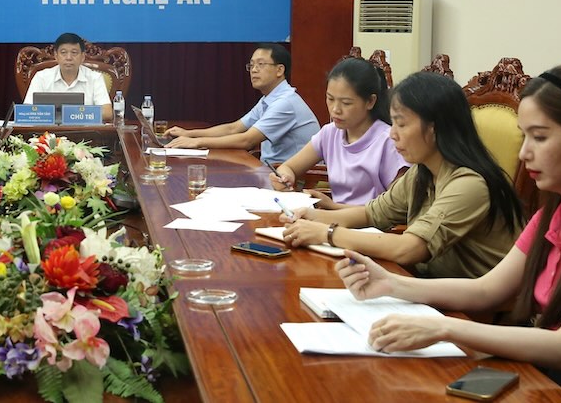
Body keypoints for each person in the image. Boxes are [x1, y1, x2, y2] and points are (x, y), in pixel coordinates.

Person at [336, 65, 561, 402]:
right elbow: (487, 289)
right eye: (523, 136)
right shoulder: (556, 214)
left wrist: (444, 328)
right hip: (560, 372)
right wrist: (388, 284)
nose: (524, 154)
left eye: (540, 137)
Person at [281, 71, 523, 279]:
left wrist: (328, 233)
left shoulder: (469, 184)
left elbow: (409, 249)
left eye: (401, 124)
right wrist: (314, 216)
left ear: (434, 128)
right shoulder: (422, 171)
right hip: (434, 288)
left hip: (482, 313)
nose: (392, 134)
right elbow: (373, 213)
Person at [269, 57, 408, 207]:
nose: (335, 109)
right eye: (330, 99)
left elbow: (395, 208)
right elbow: (288, 167)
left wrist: (333, 207)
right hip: (333, 221)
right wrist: (284, 177)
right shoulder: (330, 133)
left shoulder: (388, 141)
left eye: (346, 103)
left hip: (369, 227)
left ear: (370, 101)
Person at [166, 43, 320, 163]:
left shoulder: (285, 103)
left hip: (297, 179)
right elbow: (234, 128)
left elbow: (247, 140)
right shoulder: (268, 99)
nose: (254, 70)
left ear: (279, 70)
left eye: (260, 64)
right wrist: (188, 134)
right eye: (251, 65)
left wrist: (197, 143)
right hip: (274, 171)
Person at [22, 32, 112, 122]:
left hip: (85, 132)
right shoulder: (41, 77)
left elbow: (108, 113)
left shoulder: (95, 78)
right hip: (48, 133)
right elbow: (27, 111)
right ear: (56, 56)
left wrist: (73, 115)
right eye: (63, 52)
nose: (69, 57)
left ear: (82, 57)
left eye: (74, 52)